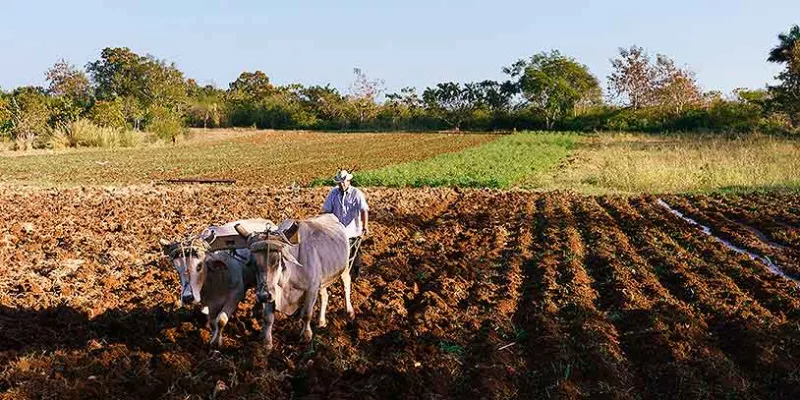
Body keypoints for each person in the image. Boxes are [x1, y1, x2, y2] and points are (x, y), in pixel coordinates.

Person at [321, 169, 369, 279]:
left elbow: (363, 210)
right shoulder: (333, 194)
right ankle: (337, 275)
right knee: (336, 256)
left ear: (349, 181)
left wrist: (365, 227)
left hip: (352, 231)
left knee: (355, 256)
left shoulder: (356, 193)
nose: (342, 184)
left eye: (344, 182)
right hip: (337, 232)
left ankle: (355, 276)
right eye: (340, 182)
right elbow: (326, 211)